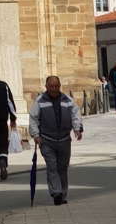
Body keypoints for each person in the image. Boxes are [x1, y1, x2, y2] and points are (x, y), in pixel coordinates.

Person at [28, 76, 83, 206]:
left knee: (62, 168)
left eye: (56, 86)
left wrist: (77, 129)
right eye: (51, 86)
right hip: (46, 140)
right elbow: (33, 118)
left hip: (64, 140)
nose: (54, 89)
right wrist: (35, 135)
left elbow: (75, 114)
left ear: (59, 86)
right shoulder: (40, 101)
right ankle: (56, 193)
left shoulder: (67, 100)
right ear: (46, 87)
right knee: (52, 167)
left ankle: (62, 194)